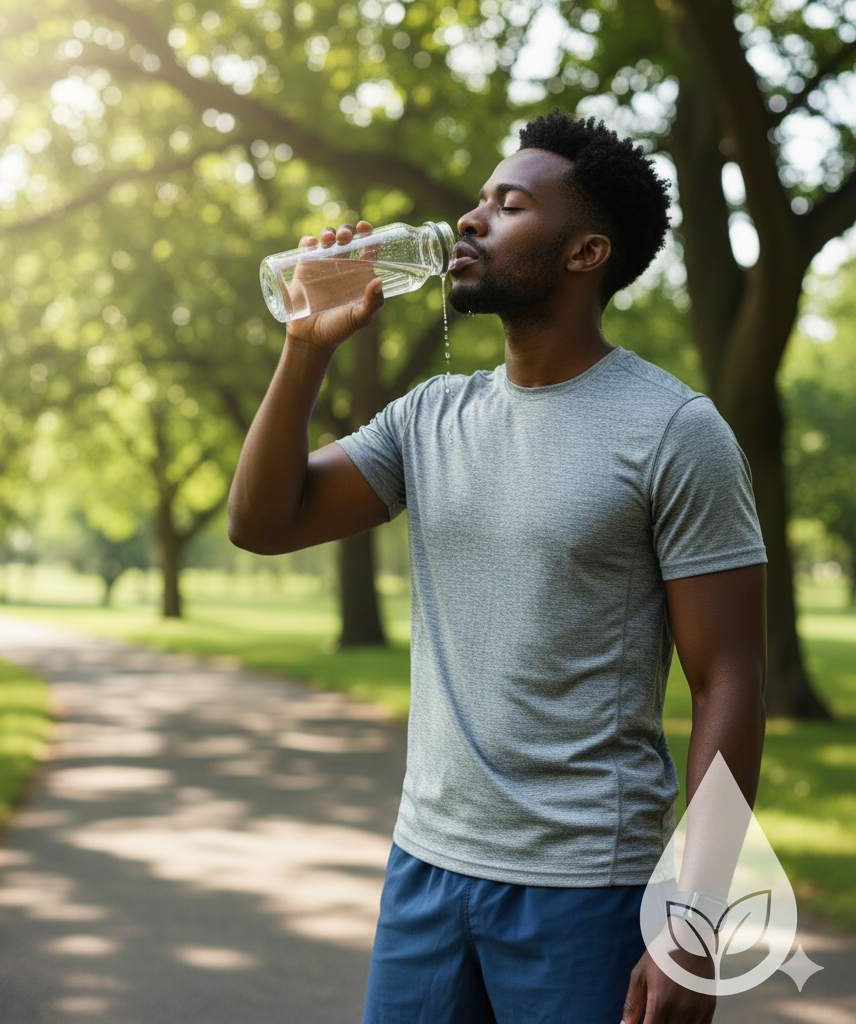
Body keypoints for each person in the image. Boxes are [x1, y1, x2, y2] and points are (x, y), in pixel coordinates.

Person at [227, 109, 767, 1024]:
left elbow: (732, 679)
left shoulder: (675, 432)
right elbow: (262, 521)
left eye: (508, 206)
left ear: (585, 253)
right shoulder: (429, 416)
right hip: (425, 870)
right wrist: (305, 350)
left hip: (584, 888)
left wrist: (693, 915)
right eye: (479, 200)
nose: (470, 221)